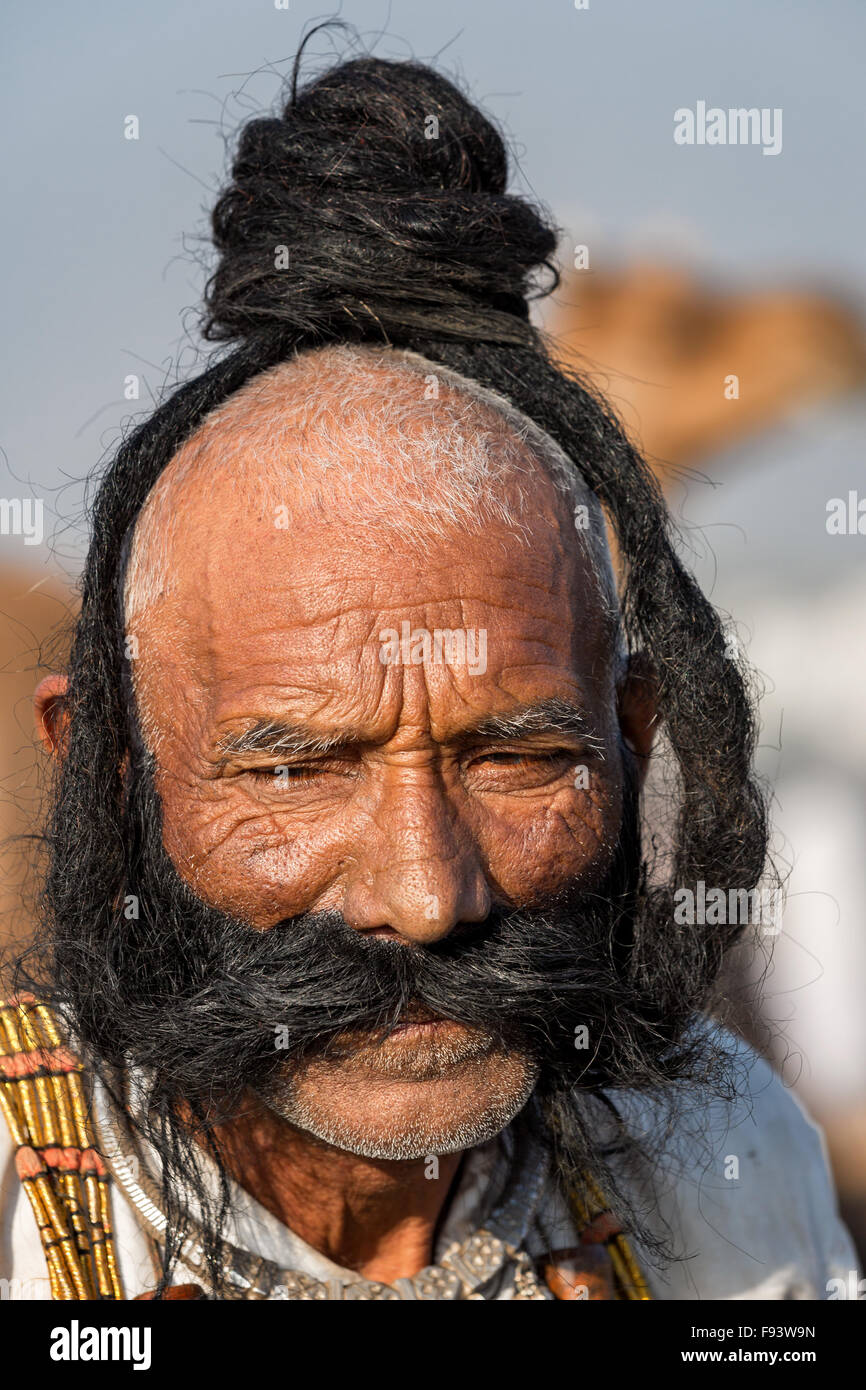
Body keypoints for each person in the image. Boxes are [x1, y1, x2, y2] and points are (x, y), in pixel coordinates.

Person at [0, 49, 857, 1302]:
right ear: (108, 770)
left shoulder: (725, 1173)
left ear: (628, 737)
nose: (423, 895)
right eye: (296, 768)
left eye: (513, 755)